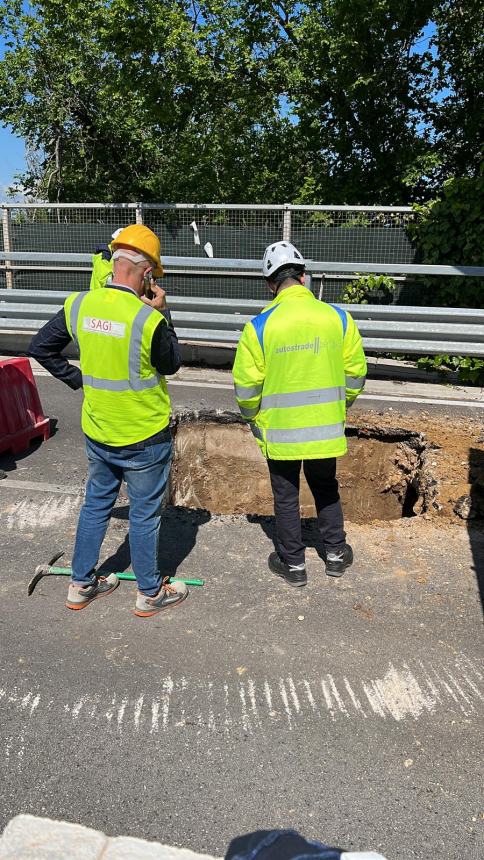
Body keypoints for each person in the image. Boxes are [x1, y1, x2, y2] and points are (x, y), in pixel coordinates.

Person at [29, 224, 188, 617]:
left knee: (96, 505)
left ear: (115, 263)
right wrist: (163, 312)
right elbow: (172, 364)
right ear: (147, 273)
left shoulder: (79, 305)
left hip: (99, 430)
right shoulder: (148, 319)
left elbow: (40, 347)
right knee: (145, 514)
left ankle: (81, 585)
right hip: (145, 436)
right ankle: (150, 592)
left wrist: (79, 380)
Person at [232, 241, 367, 587]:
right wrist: (341, 405)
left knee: (286, 496)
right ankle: (335, 554)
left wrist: (255, 419)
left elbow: (246, 389)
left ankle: (293, 565)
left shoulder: (259, 327)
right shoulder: (338, 318)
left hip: (280, 433)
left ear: (270, 284)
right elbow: (356, 374)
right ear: (304, 277)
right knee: (326, 487)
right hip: (325, 429)